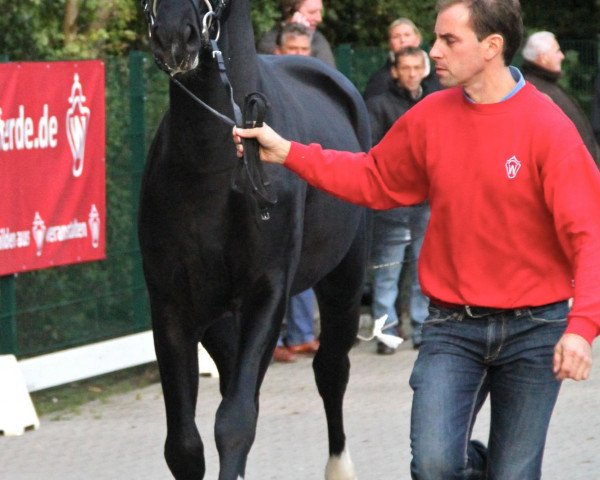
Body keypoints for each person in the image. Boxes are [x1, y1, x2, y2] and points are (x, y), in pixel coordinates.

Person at [234, 0, 600, 477]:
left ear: (491, 47)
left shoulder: (548, 126)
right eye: (435, 37)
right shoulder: (431, 116)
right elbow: (373, 178)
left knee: (515, 472)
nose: (433, 52)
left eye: (449, 40)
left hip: (536, 330)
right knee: (432, 465)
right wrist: (287, 152)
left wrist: (582, 327)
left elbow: (589, 232)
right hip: (452, 327)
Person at [366, 46, 432, 353]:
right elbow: (372, 150)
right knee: (387, 270)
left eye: (417, 67)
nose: (411, 73)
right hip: (392, 202)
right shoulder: (378, 105)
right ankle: (386, 333)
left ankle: (421, 329)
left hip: (426, 200)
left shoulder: (435, 102)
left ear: (424, 69)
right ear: (395, 71)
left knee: (423, 269)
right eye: (405, 67)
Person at [271, 22, 320, 363]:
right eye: (294, 50)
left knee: (300, 256)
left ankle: (301, 334)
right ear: (278, 53)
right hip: (270, 186)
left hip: (306, 184)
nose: (300, 56)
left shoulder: (317, 90)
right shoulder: (266, 90)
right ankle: (269, 339)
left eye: (305, 50)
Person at [521, 31, 600, 166]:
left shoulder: (546, 85)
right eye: (557, 51)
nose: (562, 56)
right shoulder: (535, 91)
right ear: (543, 57)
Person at [363, 18, 441, 101]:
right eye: (396, 36)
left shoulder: (439, 76)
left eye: (407, 35)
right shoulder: (379, 81)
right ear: (390, 43)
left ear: (418, 39)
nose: (402, 40)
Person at [256, 0, 336, 68]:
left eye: (320, 12)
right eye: (312, 12)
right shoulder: (268, 42)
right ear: (292, 12)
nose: (319, 19)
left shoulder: (318, 40)